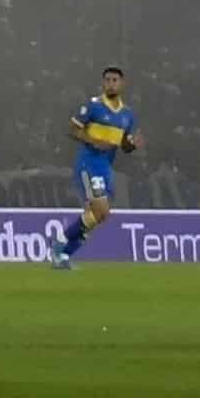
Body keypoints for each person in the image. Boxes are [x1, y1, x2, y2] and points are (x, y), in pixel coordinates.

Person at [52, 67, 134, 266]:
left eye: (115, 80)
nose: (111, 83)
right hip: (89, 164)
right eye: (107, 80)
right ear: (102, 83)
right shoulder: (93, 106)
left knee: (97, 216)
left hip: (106, 167)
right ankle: (60, 242)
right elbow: (73, 129)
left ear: (121, 84)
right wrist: (92, 141)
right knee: (100, 211)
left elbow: (124, 144)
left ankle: (63, 257)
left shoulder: (127, 114)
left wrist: (131, 145)